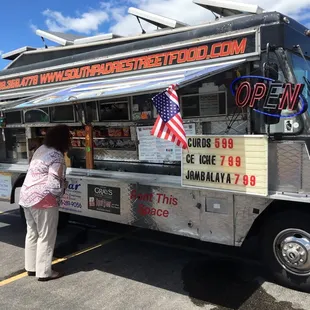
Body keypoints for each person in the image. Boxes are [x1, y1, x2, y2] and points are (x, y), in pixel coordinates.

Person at [19, 125, 71, 281]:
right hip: (43, 199)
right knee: (46, 236)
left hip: (26, 196)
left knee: (32, 232)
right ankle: (44, 272)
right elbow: (54, 183)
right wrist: (63, 189)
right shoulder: (56, 155)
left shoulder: (41, 149)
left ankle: (31, 267)